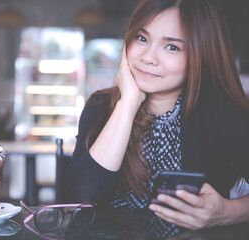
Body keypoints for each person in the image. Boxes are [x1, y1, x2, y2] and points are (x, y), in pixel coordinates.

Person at [66, 0, 249, 230]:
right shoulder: (101, 106)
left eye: (172, 47)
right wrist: (129, 103)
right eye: (141, 38)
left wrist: (228, 212)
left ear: (200, 55)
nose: (148, 57)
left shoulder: (219, 112)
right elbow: (83, 197)